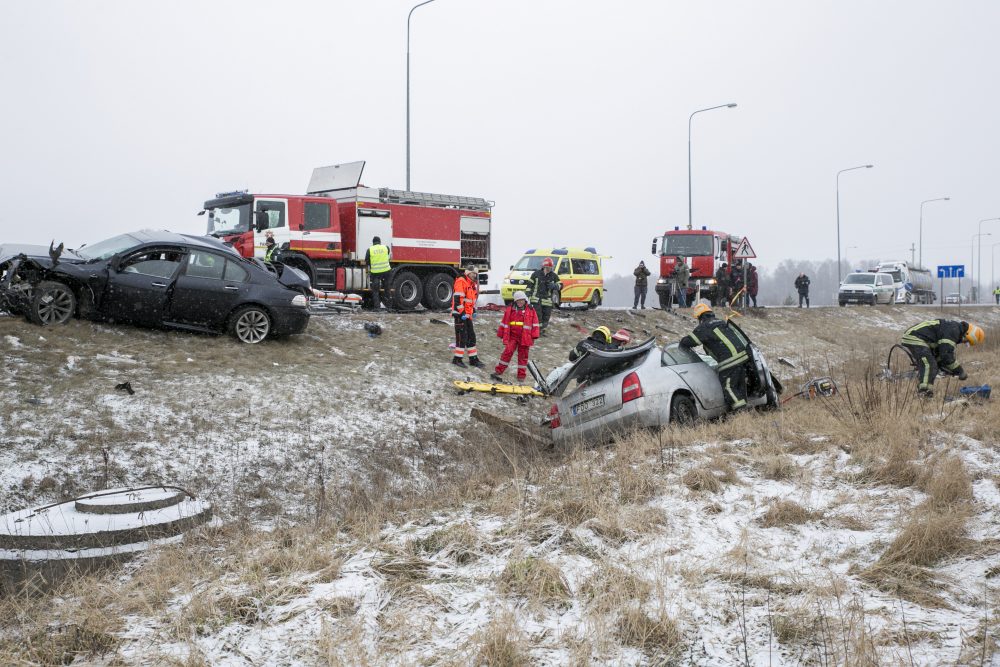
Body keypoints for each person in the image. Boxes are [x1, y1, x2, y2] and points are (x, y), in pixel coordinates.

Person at [679, 303, 750, 411]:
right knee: (739, 386)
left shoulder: (704, 327)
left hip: (730, 361)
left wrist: (681, 342)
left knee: (729, 387)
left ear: (700, 317)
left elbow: (690, 341)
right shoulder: (720, 322)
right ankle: (743, 408)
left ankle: (741, 413)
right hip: (743, 356)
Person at [900, 319, 984, 397]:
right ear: (967, 334)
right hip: (914, 337)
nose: (963, 342)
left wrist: (948, 369)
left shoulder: (954, 329)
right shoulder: (953, 331)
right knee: (929, 364)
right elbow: (946, 355)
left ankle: (925, 390)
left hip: (921, 338)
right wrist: (960, 371)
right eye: (966, 341)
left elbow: (941, 357)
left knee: (933, 363)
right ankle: (924, 393)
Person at [491, 291, 540, 383]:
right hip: (512, 337)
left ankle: (521, 376)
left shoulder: (531, 309)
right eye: (518, 300)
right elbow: (504, 322)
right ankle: (498, 371)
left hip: (525, 337)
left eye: (522, 300)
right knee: (507, 352)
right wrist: (501, 333)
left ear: (525, 300)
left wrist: (535, 335)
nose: (520, 302)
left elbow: (535, 323)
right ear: (515, 301)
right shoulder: (510, 309)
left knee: (523, 356)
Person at [451, 265, 484, 368]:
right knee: (462, 337)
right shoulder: (461, 281)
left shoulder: (471, 284)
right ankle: (457, 359)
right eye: (474, 273)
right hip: (460, 315)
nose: (476, 276)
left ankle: (473, 359)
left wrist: (472, 310)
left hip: (467, 315)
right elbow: (458, 299)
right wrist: (462, 313)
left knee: (471, 337)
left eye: (476, 274)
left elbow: (470, 301)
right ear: (469, 273)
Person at [526, 257, 561, 334]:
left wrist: (554, 285)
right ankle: (537, 331)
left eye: (550, 268)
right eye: (547, 267)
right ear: (543, 267)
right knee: (538, 317)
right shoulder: (536, 274)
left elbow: (561, 285)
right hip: (536, 300)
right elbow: (529, 285)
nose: (549, 269)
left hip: (547, 301)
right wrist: (528, 294)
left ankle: (542, 330)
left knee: (546, 317)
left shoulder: (553, 276)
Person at [365, 236, 392, 310]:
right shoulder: (386, 247)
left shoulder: (370, 250)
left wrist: (372, 265)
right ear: (380, 242)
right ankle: (389, 307)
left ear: (373, 243)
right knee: (387, 289)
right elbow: (387, 254)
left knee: (376, 290)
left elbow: (367, 261)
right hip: (386, 272)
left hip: (376, 273)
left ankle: (377, 307)